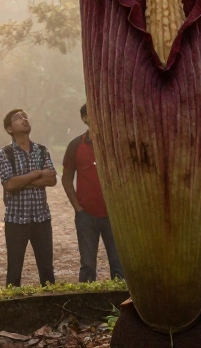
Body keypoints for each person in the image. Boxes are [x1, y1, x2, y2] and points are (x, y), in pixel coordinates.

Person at [62, 104, 123, 282]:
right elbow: (66, 179)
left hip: (113, 214)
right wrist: (78, 208)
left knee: (119, 265)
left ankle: (119, 304)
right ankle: (86, 303)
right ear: (84, 118)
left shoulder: (114, 144)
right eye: (93, 114)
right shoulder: (75, 145)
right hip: (86, 214)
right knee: (87, 266)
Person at [0, 109, 57, 286]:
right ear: (9, 129)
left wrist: (22, 181)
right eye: (18, 118)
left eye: (25, 116)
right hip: (16, 220)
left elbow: (52, 179)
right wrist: (38, 173)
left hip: (42, 218)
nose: (24, 119)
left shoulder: (42, 150)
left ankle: (51, 307)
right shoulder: (5, 153)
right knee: (14, 272)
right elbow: (9, 184)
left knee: (47, 271)